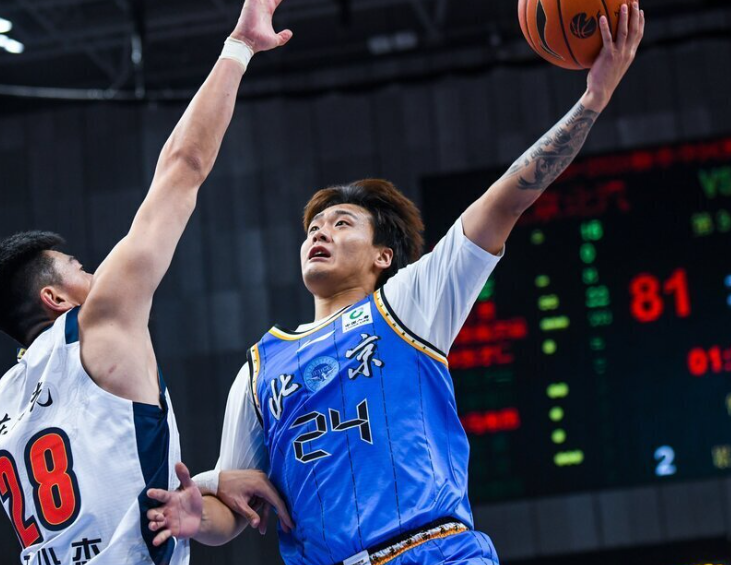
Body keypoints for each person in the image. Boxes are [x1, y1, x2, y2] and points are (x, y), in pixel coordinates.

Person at [146, 4, 645, 564]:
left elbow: (507, 200)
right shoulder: (260, 369)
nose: (320, 233)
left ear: (384, 255)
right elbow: (235, 508)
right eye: (313, 228)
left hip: (438, 552)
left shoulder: (409, 303)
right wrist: (197, 519)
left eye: (342, 223)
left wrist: (592, 100)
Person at [0, 1, 296, 563]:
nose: (96, 274)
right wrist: (239, 47)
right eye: (80, 269)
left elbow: (105, 493)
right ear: (55, 298)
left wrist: (210, 480)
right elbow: (182, 166)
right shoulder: (99, 321)